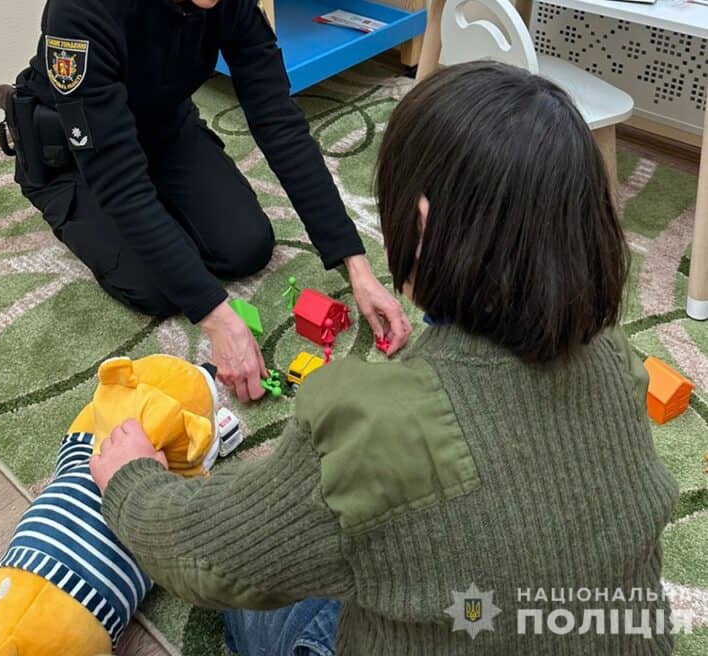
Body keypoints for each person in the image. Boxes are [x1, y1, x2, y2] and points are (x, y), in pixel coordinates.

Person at [90, 61, 680, 655]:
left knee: (272, 604)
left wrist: (130, 481)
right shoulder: (614, 359)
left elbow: (210, 559)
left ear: (420, 226)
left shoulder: (373, 432)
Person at [7, 0, 410, 402]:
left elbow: (279, 122)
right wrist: (217, 319)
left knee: (246, 247)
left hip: (162, 130)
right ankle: (51, 195)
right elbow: (117, 175)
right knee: (161, 288)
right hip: (76, 156)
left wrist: (355, 265)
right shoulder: (84, 2)